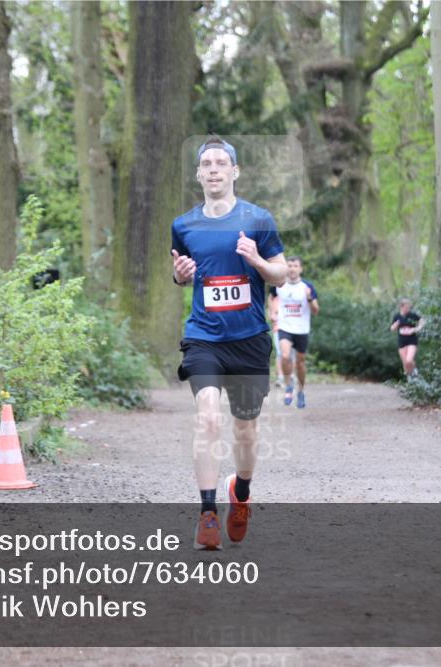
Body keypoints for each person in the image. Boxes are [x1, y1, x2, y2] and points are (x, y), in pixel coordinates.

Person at [171, 136, 288, 550]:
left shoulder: (257, 219)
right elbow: (182, 272)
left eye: (222, 162)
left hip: (249, 339)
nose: (215, 169)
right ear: (200, 174)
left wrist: (256, 261)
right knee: (208, 418)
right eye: (208, 163)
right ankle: (206, 513)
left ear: (235, 171)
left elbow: (280, 274)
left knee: (246, 431)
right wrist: (180, 275)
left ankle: (240, 491)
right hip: (204, 336)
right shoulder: (183, 225)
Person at [268, 257, 318, 408]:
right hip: (285, 327)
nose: (292, 268)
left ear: (300, 269)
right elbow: (271, 297)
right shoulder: (279, 284)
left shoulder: (307, 287)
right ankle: (289, 385)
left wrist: (309, 298)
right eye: (289, 265)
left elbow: (316, 311)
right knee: (284, 355)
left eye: (295, 266)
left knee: (300, 363)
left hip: (301, 329)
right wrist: (273, 312)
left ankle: (301, 391)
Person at [390, 298, 424, 379]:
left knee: (409, 360)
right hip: (402, 341)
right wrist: (395, 325)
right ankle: (410, 381)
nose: (408, 309)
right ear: (401, 307)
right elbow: (392, 328)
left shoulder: (412, 315)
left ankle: (415, 371)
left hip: (412, 340)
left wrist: (416, 329)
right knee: (405, 363)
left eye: (409, 307)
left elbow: (422, 321)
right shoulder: (397, 316)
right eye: (406, 307)